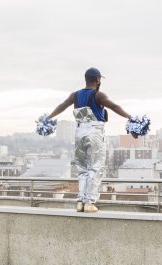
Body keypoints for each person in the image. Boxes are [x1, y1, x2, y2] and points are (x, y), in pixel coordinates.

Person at [48, 68, 132, 213]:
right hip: (95, 132)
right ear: (98, 79)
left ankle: (80, 201)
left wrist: (48, 118)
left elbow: (61, 106)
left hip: (79, 132)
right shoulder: (98, 95)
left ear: (85, 79)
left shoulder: (75, 95)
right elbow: (114, 106)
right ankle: (90, 202)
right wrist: (131, 118)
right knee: (96, 167)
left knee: (82, 169)